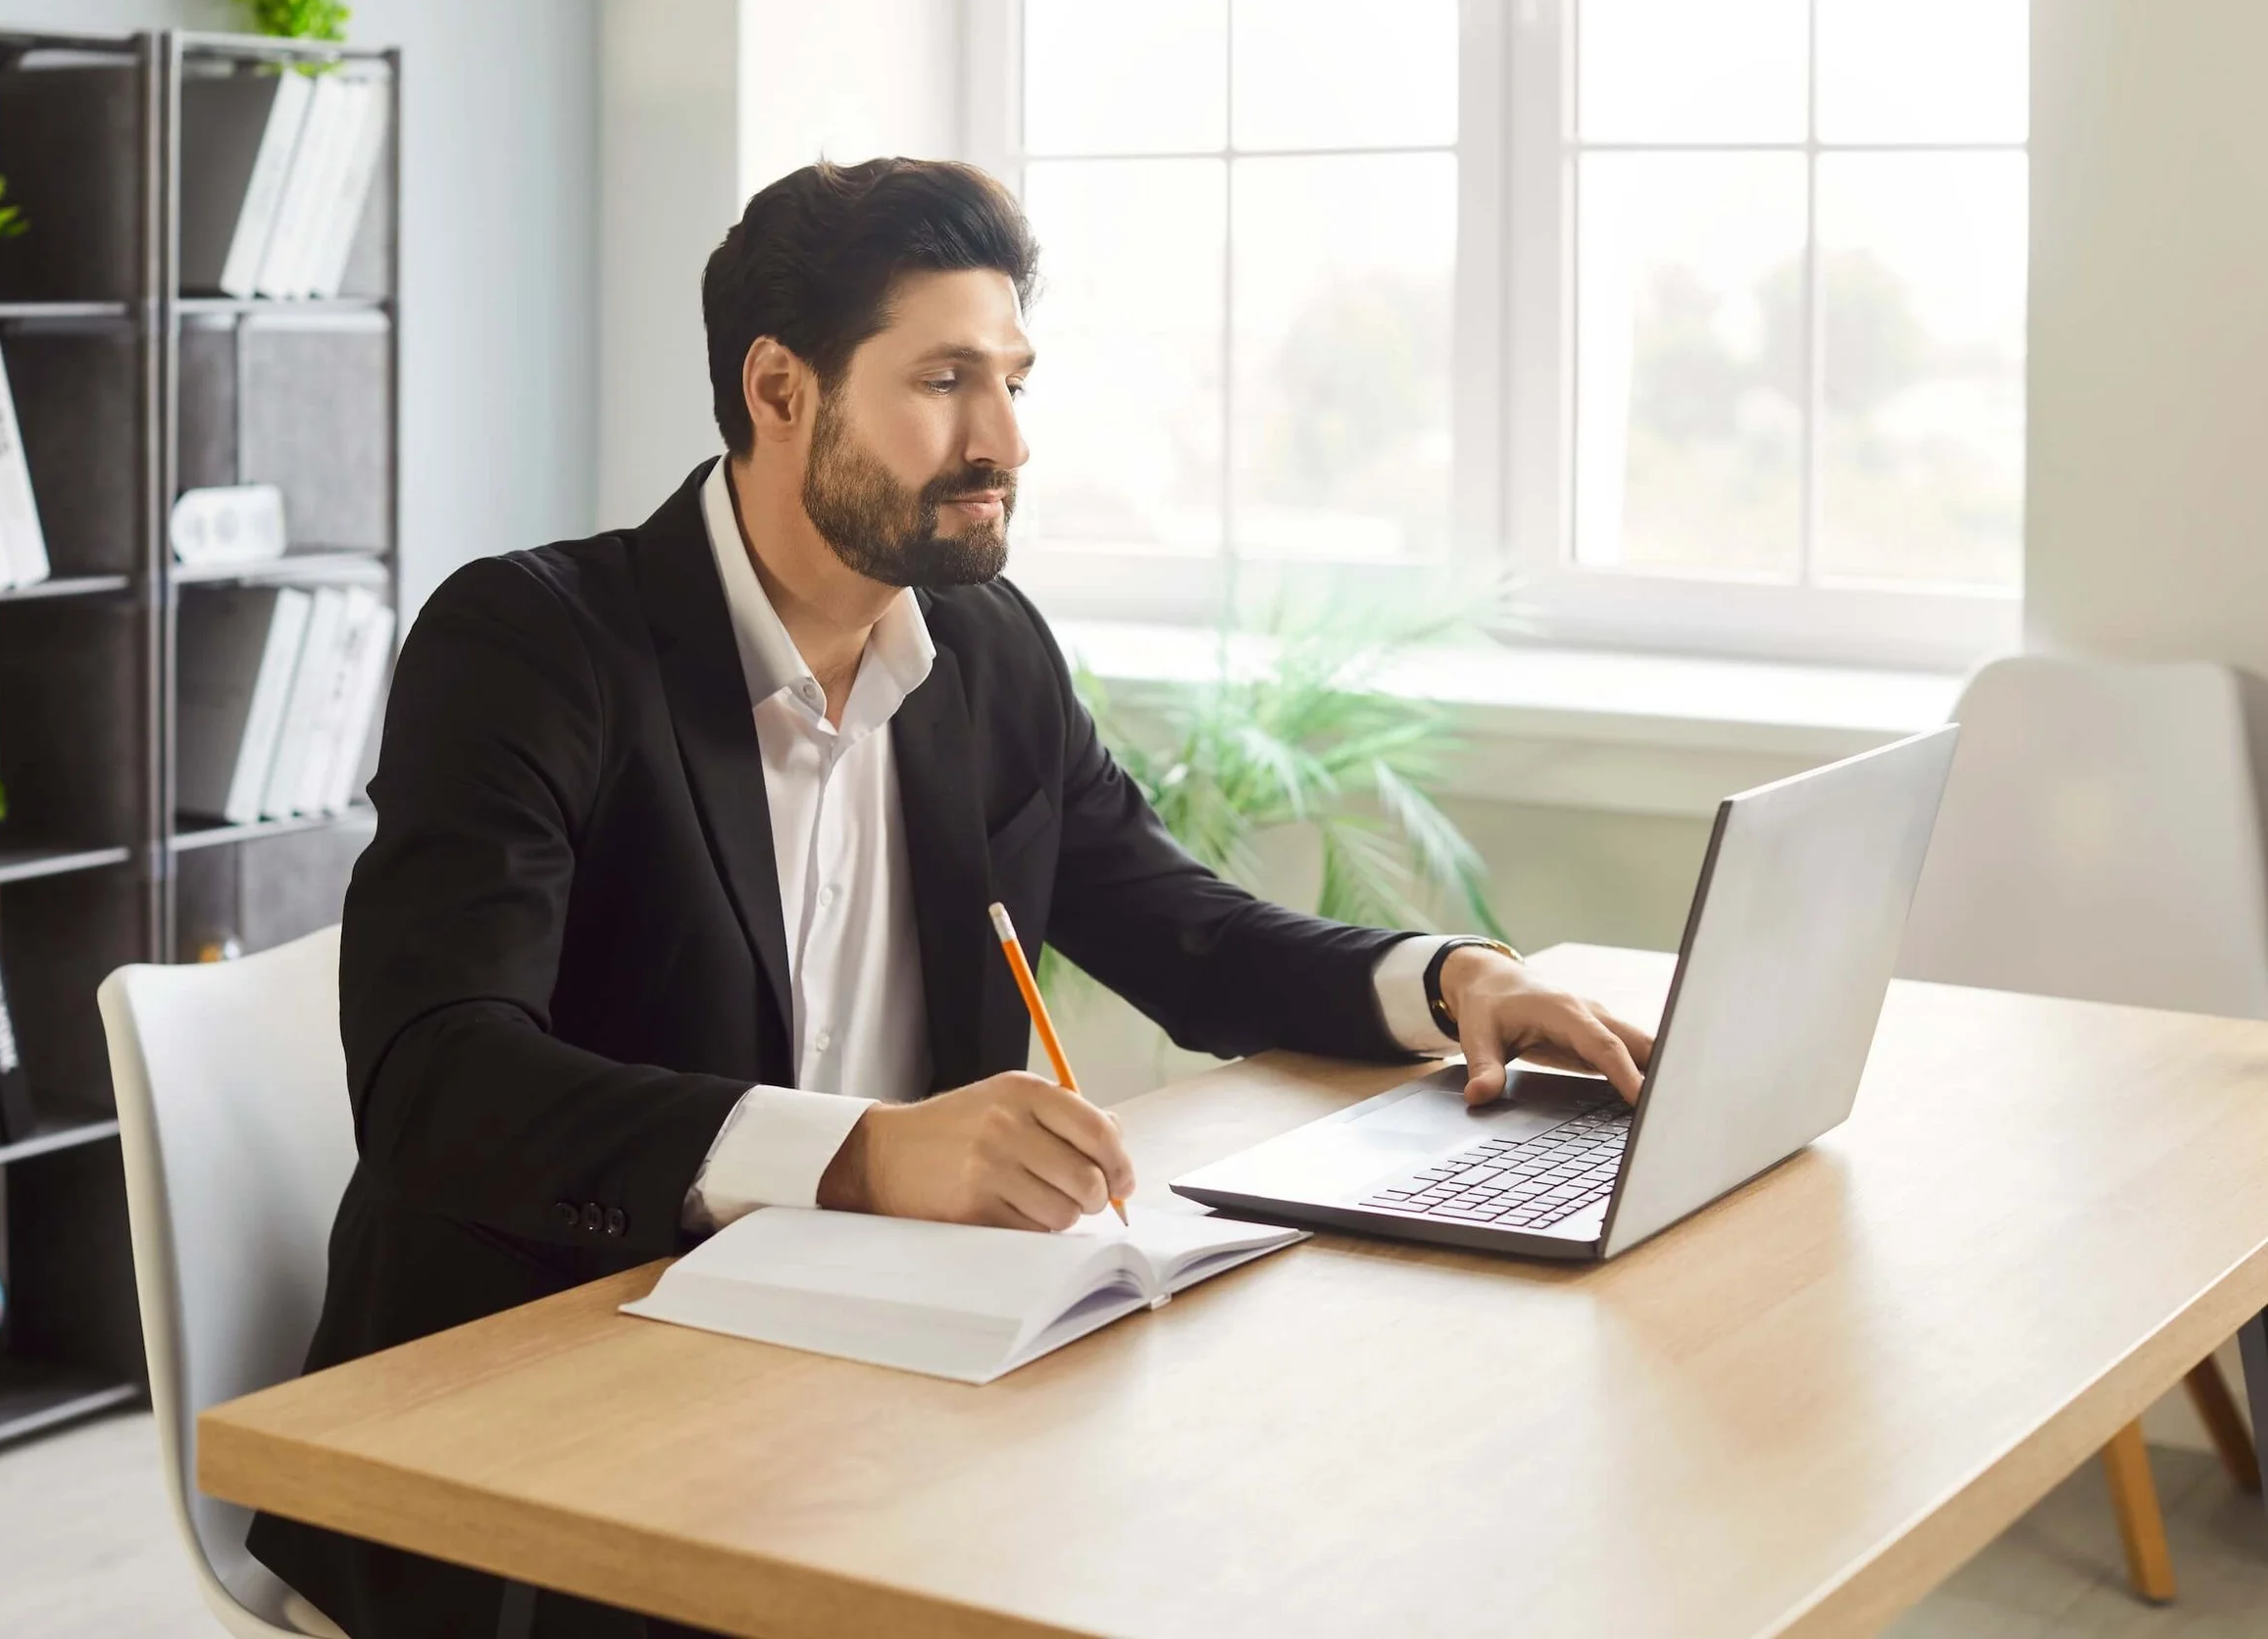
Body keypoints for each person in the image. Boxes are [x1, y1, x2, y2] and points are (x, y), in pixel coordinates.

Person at [249, 157, 1653, 1639]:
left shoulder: (983, 653)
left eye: (1014, 380)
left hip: (874, 1384)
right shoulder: (534, 645)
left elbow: (1183, 928)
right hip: (548, 1446)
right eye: (943, 381)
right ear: (780, 391)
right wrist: (863, 1156)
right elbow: (438, 1081)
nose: (1004, 440)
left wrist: (1452, 985)